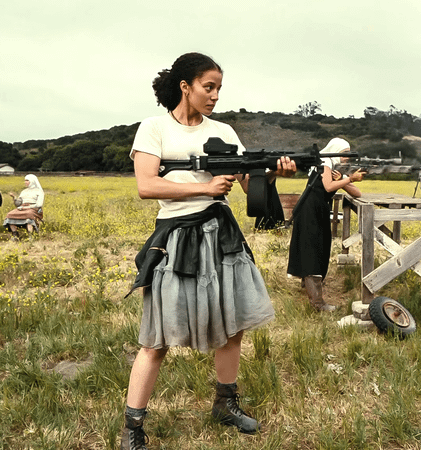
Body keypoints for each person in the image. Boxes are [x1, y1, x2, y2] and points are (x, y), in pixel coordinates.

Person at [121, 52, 296, 450]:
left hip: (222, 236)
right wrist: (204, 187)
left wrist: (274, 173)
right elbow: (147, 186)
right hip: (178, 239)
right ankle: (132, 428)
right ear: (186, 86)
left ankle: (225, 404)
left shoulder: (224, 131)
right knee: (156, 340)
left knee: (231, 327)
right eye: (208, 86)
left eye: (219, 88)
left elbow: (248, 177)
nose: (215, 95)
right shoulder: (154, 129)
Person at [287, 137, 364, 312]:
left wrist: (345, 180)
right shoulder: (325, 162)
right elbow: (328, 187)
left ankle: (310, 288)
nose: (347, 157)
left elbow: (357, 192)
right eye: (345, 153)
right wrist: (349, 178)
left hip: (318, 210)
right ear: (335, 150)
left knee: (319, 248)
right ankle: (317, 303)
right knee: (312, 252)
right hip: (310, 210)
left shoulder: (333, 167)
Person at [3, 174, 44, 239]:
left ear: (32, 181)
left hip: (34, 209)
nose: (25, 182)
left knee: (29, 214)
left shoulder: (39, 191)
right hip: (22, 208)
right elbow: (18, 204)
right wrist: (14, 198)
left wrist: (26, 207)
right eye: (25, 180)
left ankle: (31, 235)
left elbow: (39, 204)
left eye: (27, 180)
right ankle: (15, 234)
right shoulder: (24, 191)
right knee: (9, 214)